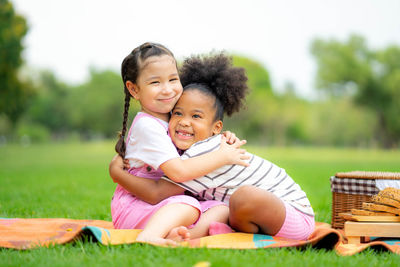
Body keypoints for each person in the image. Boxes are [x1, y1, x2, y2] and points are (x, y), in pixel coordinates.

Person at [110, 52, 315, 241]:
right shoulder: (198, 145)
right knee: (221, 208)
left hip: (294, 214)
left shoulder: (206, 151)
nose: (184, 122)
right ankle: (192, 235)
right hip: (276, 213)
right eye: (178, 113)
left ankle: (196, 234)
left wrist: (117, 173)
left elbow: (158, 192)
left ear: (216, 127)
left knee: (240, 199)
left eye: (196, 116)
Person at [111, 42, 249, 245]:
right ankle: (148, 236)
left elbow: (197, 141)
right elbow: (178, 173)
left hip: (163, 202)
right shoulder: (147, 126)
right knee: (188, 205)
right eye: (155, 82)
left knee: (221, 208)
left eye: (173, 79)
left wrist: (221, 138)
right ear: (134, 89)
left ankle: (185, 237)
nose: (167, 90)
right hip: (135, 206)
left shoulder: (172, 118)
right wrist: (221, 156)